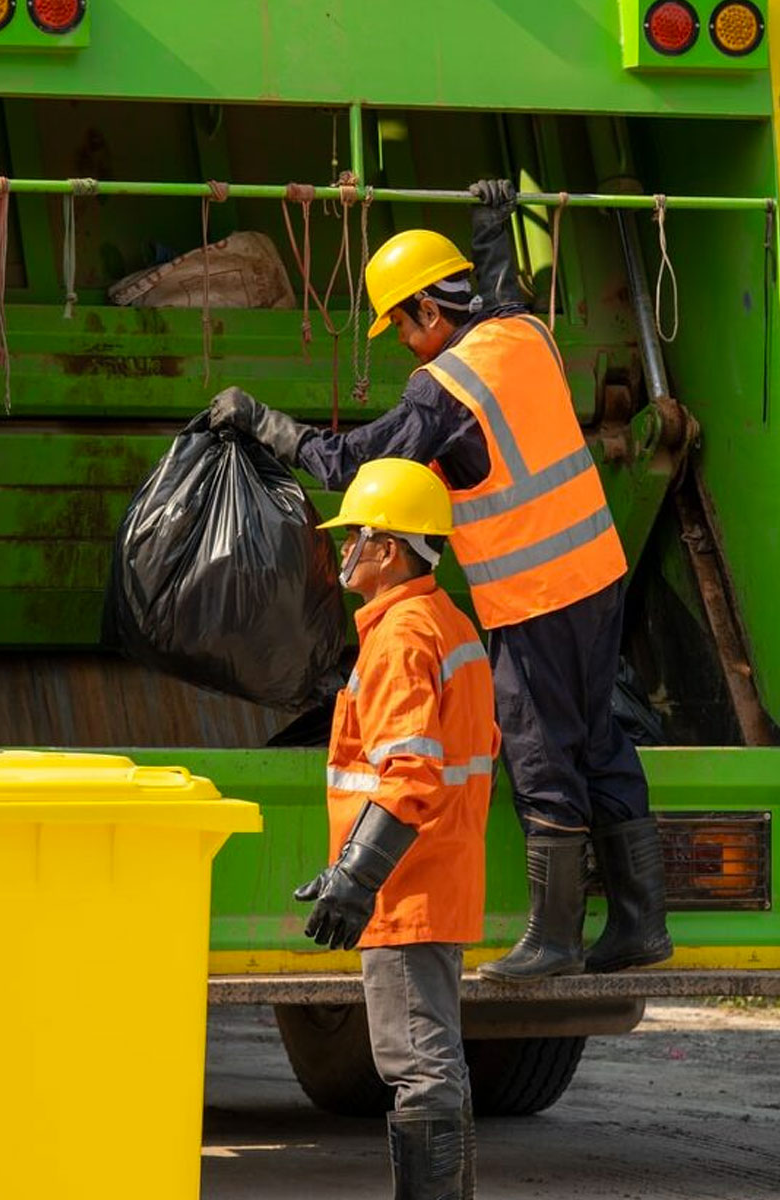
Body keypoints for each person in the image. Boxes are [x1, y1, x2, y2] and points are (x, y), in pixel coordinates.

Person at [214, 180, 672, 982]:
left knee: (539, 750)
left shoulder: (443, 387)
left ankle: (556, 939)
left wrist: (263, 423)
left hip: (535, 594)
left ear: (429, 309)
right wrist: (492, 224)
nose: (402, 342)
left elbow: (360, 464)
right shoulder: (525, 333)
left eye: (399, 324)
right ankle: (639, 922)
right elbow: (502, 289)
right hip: (598, 575)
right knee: (599, 737)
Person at [294, 457, 497, 1200]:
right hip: (431, 876)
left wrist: (357, 877)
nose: (344, 552)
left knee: (419, 1070)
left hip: (407, 892)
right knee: (437, 1068)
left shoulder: (400, 638)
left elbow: (409, 773)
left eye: (355, 538)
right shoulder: (446, 624)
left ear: (388, 550)